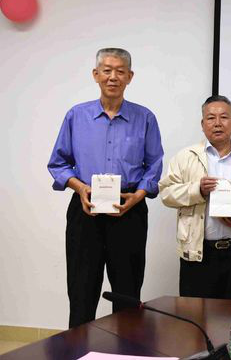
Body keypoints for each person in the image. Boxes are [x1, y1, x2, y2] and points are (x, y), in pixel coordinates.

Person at [47, 48, 163, 328]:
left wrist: (139, 195)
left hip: (129, 209)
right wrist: (80, 188)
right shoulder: (76, 116)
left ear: (130, 77)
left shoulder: (145, 118)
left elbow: (154, 165)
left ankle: (126, 348)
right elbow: (58, 163)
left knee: (127, 292)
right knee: (81, 290)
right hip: (85, 210)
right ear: (96, 74)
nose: (113, 77)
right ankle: (78, 347)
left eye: (120, 71)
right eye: (107, 70)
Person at [159, 95, 231, 300]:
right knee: (194, 316)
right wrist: (197, 190)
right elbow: (166, 193)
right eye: (210, 118)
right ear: (202, 124)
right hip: (197, 253)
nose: (217, 123)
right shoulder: (185, 157)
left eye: (224, 117)